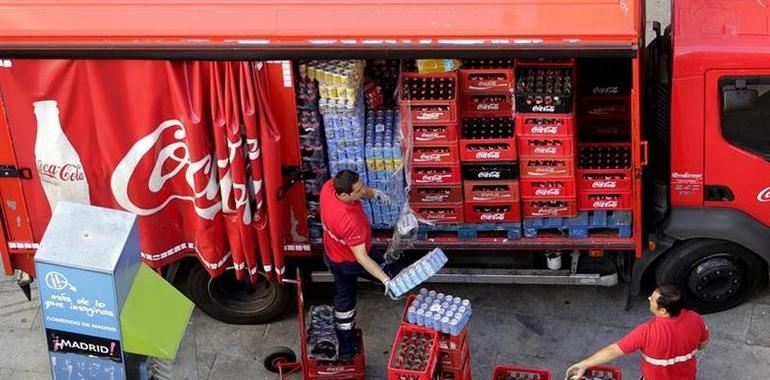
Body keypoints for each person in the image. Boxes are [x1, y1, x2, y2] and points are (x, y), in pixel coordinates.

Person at [319, 169, 398, 361]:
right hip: (351, 261)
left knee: (344, 299)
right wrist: (384, 279)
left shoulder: (329, 188)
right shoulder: (349, 220)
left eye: (362, 186)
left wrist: (375, 193)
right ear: (345, 195)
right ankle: (391, 286)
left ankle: (346, 349)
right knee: (385, 271)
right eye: (358, 190)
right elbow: (362, 258)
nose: (363, 191)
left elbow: (363, 190)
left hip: (333, 254)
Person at [565, 285, 709, 380]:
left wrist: (583, 365)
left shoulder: (646, 332)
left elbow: (613, 350)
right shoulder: (695, 319)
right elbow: (703, 344)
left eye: (652, 299)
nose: (648, 299)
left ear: (663, 310)